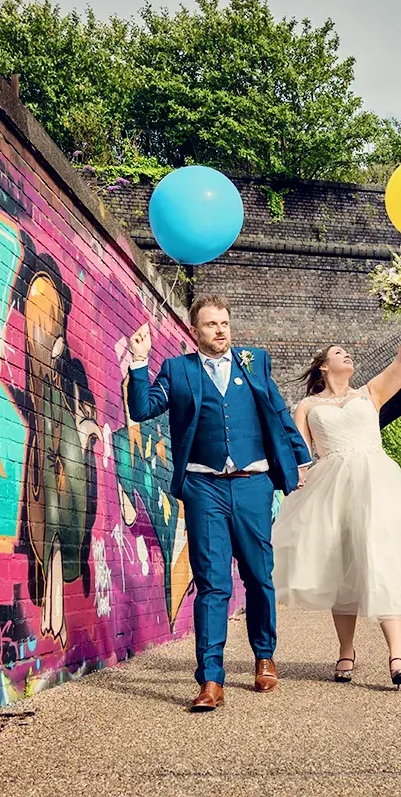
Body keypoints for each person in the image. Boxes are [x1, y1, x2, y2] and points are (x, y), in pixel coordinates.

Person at [127, 295, 311, 711]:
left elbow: (279, 413)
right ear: (195, 331)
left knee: (259, 575)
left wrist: (300, 460)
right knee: (213, 583)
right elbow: (142, 409)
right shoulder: (177, 370)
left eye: (225, 323)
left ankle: (264, 656)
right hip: (203, 487)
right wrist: (139, 362)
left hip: (253, 484)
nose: (221, 330)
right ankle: (211, 679)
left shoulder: (254, 361)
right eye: (211, 324)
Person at [271, 317, 401, 688]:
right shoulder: (308, 406)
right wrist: (296, 475)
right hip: (330, 489)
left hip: (376, 484)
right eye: (338, 352)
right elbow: (298, 450)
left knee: (383, 558)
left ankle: (398, 654)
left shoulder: (369, 394)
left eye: (347, 352)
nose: (347, 355)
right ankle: (346, 651)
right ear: (324, 366)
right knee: (340, 566)